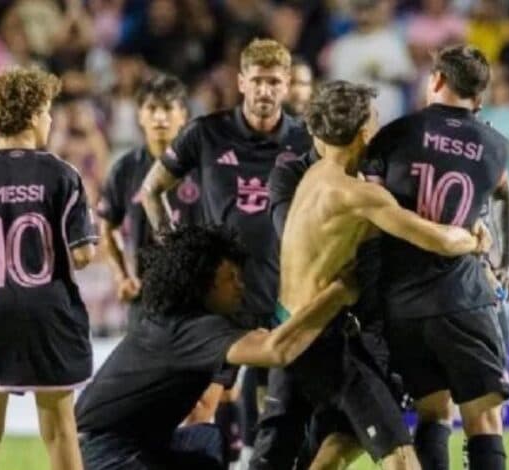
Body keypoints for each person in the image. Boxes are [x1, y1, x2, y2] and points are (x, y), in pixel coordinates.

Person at [279, 80, 493, 470]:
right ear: (364, 132)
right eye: (375, 121)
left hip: (296, 332)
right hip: (328, 342)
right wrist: (474, 241)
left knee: (340, 443)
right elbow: (437, 240)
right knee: (401, 458)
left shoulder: (314, 177)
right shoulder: (358, 195)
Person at [140, 38, 312, 460]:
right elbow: (151, 190)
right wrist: (172, 248)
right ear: (241, 82)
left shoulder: (306, 140)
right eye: (258, 81)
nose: (266, 91)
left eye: (275, 82)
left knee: (284, 407)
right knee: (202, 403)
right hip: (219, 296)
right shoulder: (207, 132)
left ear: (287, 85)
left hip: (284, 291)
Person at [74, 225, 357, 470]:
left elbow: (263, 341)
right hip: (103, 452)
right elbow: (276, 350)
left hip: (131, 442)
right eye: (230, 278)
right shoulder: (191, 329)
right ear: (203, 284)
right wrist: (338, 293)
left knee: (207, 439)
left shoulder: (180, 323)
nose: (240, 286)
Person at [0, 67, 99, 470]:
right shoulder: (63, 175)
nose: (50, 120)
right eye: (46, 112)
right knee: (61, 429)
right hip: (49, 313)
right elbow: (83, 256)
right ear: (30, 115)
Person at [363, 45, 509, 470]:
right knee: (483, 419)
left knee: (432, 414)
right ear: (480, 98)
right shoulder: (496, 146)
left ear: (436, 80)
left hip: (402, 303)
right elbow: (505, 195)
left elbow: (369, 213)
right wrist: (506, 261)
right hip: (462, 297)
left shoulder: (394, 134)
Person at [97, 73, 200, 325]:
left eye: (167, 108)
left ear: (184, 115)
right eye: (151, 108)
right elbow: (107, 227)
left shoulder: (202, 166)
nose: (159, 117)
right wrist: (122, 277)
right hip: (146, 299)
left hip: (197, 299)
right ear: (140, 115)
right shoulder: (125, 168)